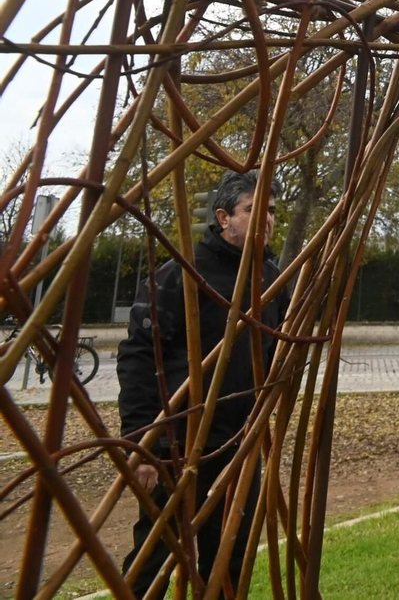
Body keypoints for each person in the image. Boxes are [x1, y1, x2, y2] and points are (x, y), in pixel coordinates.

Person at [118, 168, 285, 595]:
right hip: (180, 445)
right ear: (223, 217)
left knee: (226, 563)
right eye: (253, 210)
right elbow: (138, 357)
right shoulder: (182, 274)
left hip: (239, 447)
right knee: (154, 561)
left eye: (270, 210)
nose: (266, 219)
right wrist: (142, 443)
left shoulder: (273, 279)